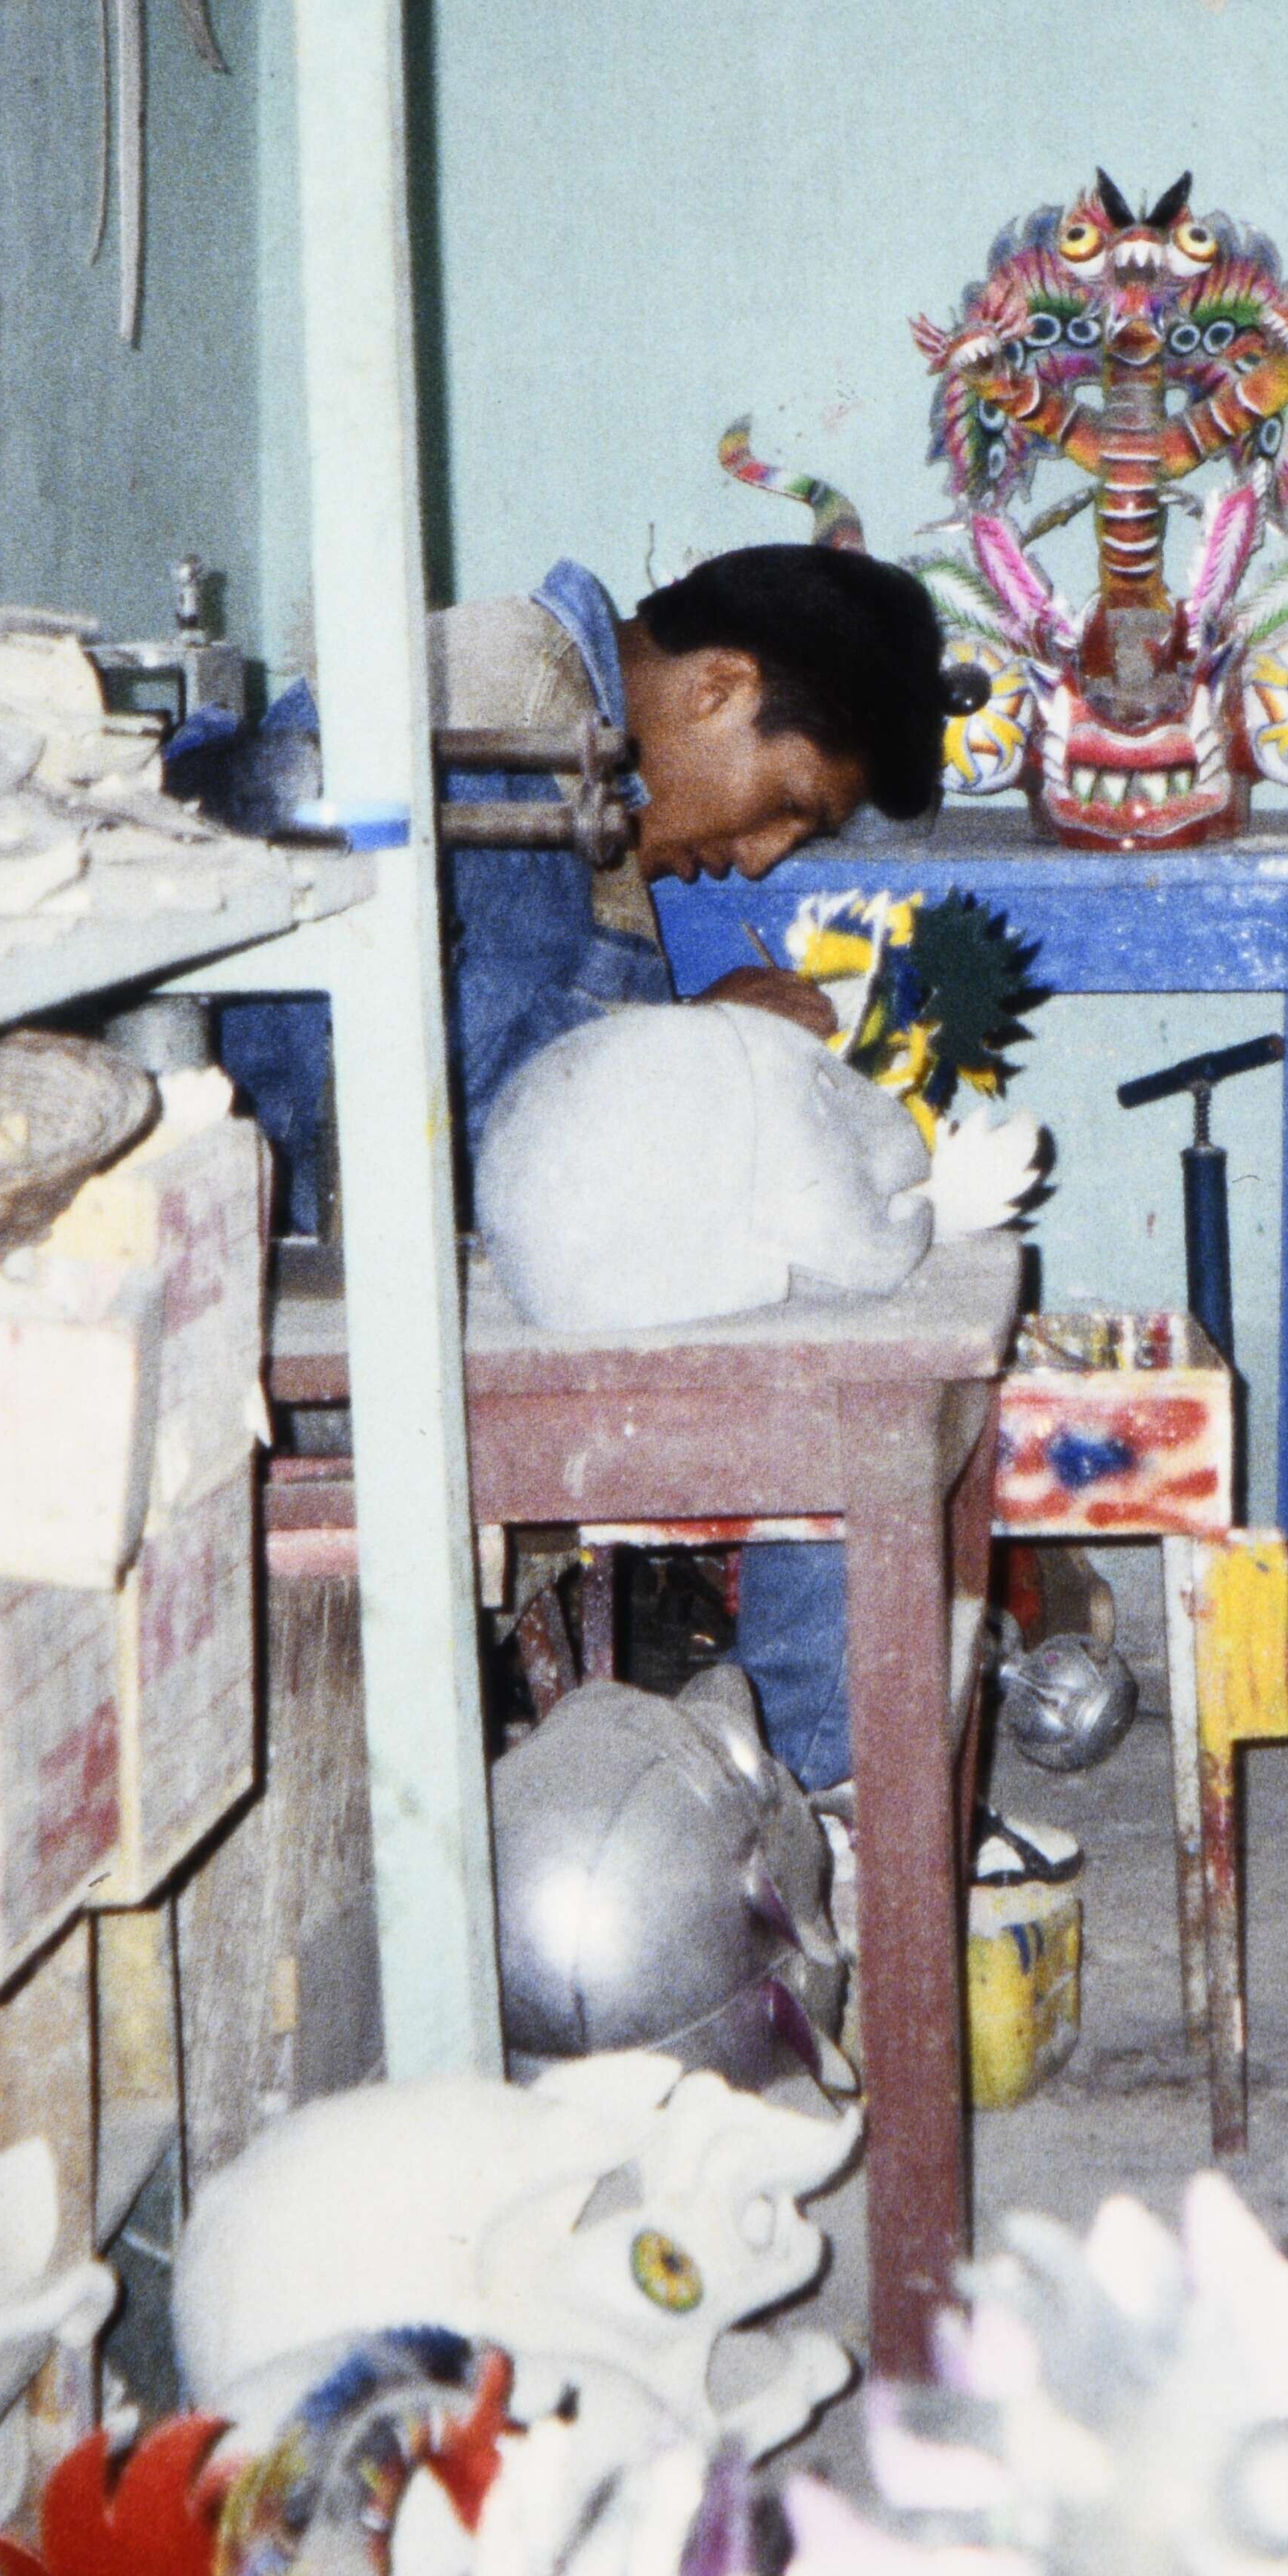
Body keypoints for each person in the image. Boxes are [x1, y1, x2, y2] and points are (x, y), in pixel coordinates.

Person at [205, 544, 947, 1796]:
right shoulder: (501, 721)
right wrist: (708, 1040)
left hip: (397, 1241)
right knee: (849, 1383)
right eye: (787, 804)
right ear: (718, 687)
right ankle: (816, 1792)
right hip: (325, 1274)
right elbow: (477, 1121)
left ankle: (799, 1774)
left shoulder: (564, 732)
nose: (762, 858)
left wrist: (699, 1035)